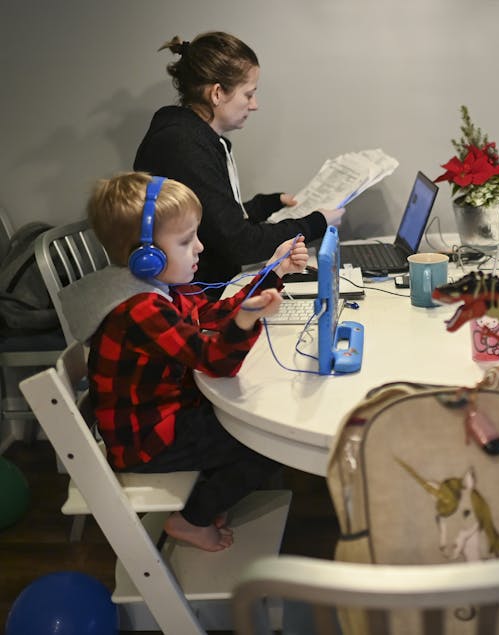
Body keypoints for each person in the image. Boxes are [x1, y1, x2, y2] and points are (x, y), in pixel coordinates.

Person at [59, 172, 309, 551]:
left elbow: (210, 314)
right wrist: (245, 321)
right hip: (148, 439)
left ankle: (207, 501)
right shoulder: (140, 308)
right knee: (266, 444)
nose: (200, 248)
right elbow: (217, 361)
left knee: (253, 429)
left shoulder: (159, 287)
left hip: (165, 416)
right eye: (186, 240)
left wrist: (272, 274)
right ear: (147, 257)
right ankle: (192, 520)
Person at [134, 31, 343, 290]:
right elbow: (238, 243)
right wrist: (316, 222)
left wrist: (264, 205)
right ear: (218, 93)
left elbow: (212, 218)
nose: (253, 105)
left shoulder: (194, 137)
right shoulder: (182, 145)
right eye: (248, 94)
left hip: (207, 286)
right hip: (198, 298)